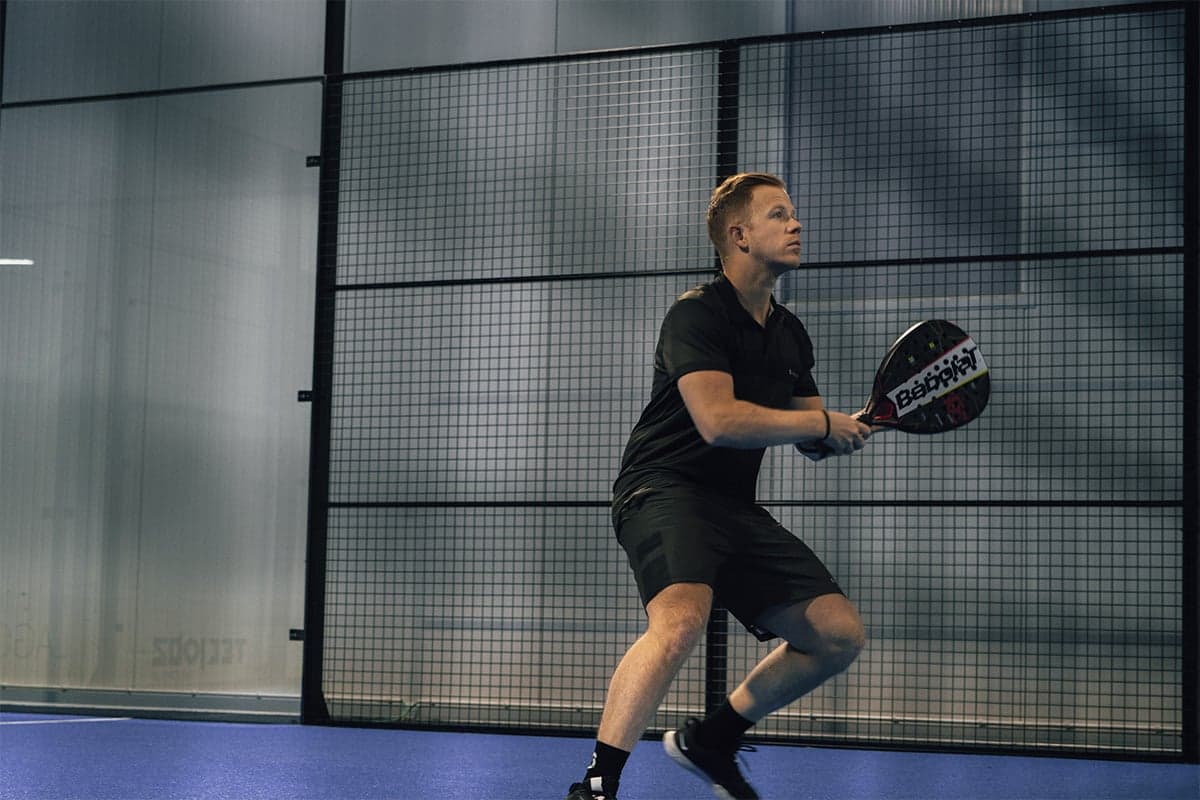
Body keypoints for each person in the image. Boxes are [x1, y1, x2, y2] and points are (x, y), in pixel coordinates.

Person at [564, 173, 873, 800]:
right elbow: (719, 421)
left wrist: (838, 432)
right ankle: (596, 785)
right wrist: (817, 422)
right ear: (739, 234)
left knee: (839, 635)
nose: (796, 224)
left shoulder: (789, 332)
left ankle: (714, 739)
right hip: (660, 489)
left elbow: (810, 436)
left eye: (794, 213)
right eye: (779, 214)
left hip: (733, 507)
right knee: (680, 621)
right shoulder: (696, 314)